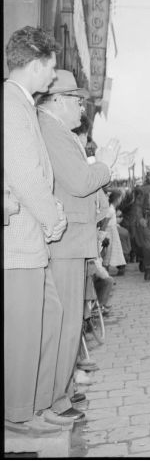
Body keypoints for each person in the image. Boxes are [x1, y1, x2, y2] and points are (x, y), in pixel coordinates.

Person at [37, 69, 117, 422]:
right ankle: (54, 401)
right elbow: (80, 181)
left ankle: (62, 392)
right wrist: (107, 165)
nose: (82, 108)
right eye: (76, 100)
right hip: (65, 242)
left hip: (71, 239)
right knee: (65, 323)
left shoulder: (58, 132)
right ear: (57, 100)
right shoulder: (52, 132)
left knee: (69, 321)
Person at [3, 26, 70, 434]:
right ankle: (18, 415)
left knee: (49, 316)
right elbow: (25, 175)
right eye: (50, 67)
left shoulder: (21, 104)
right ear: (33, 64)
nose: (52, 76)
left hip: (31, 241)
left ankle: (38, 403)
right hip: (20, 240)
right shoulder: (11, 105)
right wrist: (53, 217)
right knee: (25, 330)